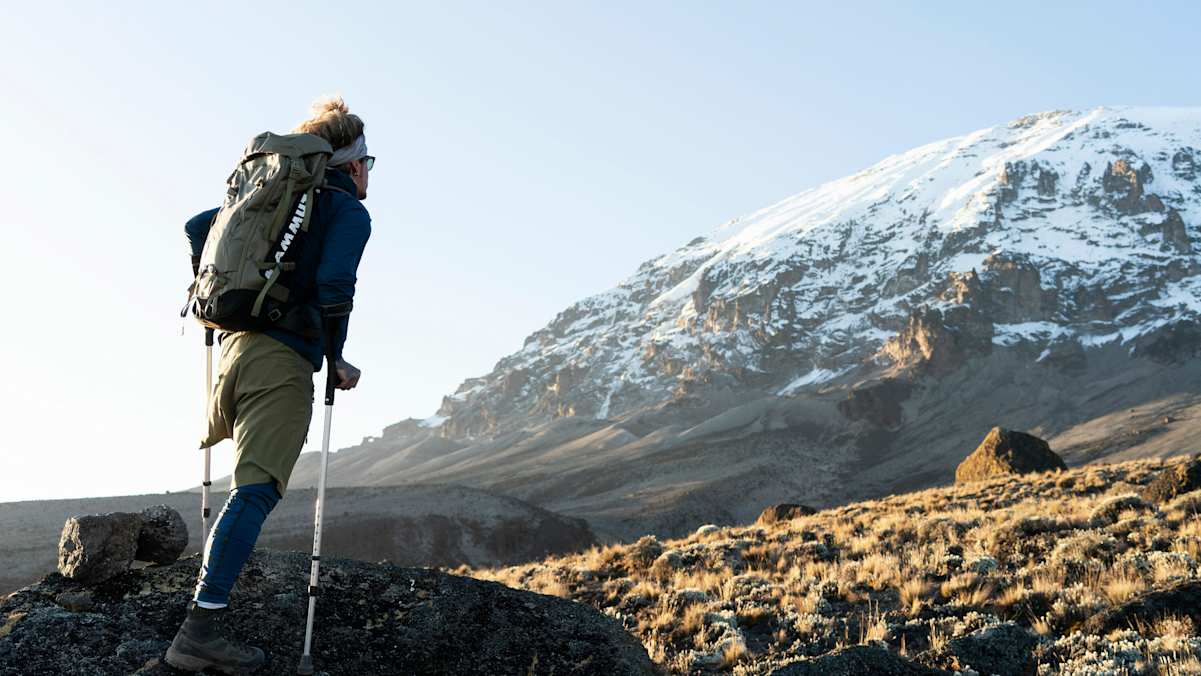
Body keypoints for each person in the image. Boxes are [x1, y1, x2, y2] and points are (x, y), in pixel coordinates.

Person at [165, 96, 373, 673]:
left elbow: (197, 227)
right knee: (255, 490)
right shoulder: (345, 211)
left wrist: (214, 299)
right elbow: (335, 285)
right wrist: (337, 358)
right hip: (280, 363)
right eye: (369, 163)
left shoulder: (271, 196)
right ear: (350, 162)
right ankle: (200, 631)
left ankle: (205, 611)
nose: (368, 175)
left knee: (245, 489)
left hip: (234, 351)